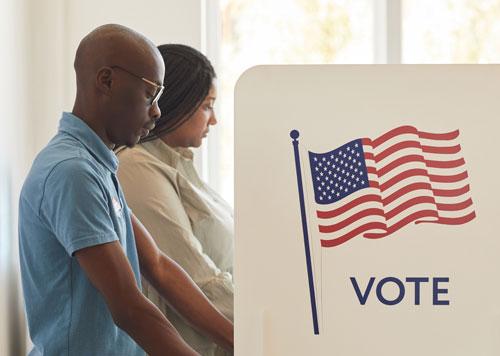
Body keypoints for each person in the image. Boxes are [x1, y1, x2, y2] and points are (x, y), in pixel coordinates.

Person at [18, 24, 233, 356]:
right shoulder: (72, 172)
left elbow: (158, 265)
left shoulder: (97, 166)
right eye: (150, 95)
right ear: (106, 81)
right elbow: (128, 306)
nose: (157, 112)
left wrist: (241, 339)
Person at [117, 44, 233, 356]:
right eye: (208, 106)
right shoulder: (136, 167)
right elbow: (193, 279)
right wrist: (257, 337)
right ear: (178, 103)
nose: (214, 120)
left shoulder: (178, 164)